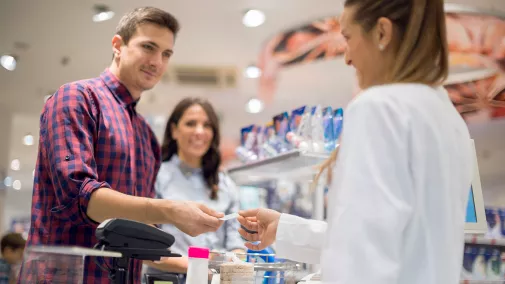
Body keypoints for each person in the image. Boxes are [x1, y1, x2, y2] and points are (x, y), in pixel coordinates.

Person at [238, 0, 474, 283]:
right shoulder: (448, 116)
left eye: (348, 38)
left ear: (382, 33)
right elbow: (402, 238)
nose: (347, 58)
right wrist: (286, 229)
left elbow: (360, 258)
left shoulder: (378, 107)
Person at [22, 7, 223, 284]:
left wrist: (206, 262)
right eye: (148, 47)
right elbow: (79, 197)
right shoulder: (77, 98)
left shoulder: (146, 137)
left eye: (166, 54)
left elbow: (141, 236)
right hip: (67, 277)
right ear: (118, 45)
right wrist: (170, 210)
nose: (157, 62)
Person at [144, 98, 245, 279]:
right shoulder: (155, 176)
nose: (199, 132)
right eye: (191, 124)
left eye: (207, 125)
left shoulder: (225, 184)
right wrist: (201, 267)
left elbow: (236, 243)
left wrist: (235, 263)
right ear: (174, 130)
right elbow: (145, 248)